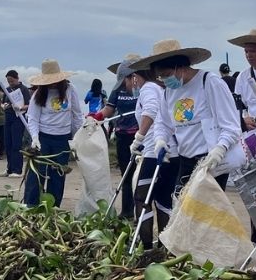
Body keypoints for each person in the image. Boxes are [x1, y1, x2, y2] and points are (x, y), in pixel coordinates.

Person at [136, 39, 240, 190]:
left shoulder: (209, 82)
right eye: (160, 77)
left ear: (181, 66)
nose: (165, 80)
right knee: (182, 208)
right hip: (185, 159)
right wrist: (160, 140)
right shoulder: (169, 92)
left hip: (211, 159)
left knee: (207, 211)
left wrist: (221, 148)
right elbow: (162, 123)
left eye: (166, 74)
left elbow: (231, 124)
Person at [24, 60, 85, 207]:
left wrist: (77, 138)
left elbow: (77, 115)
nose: (52, 84)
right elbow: (32, 118)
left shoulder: (70, 90)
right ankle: (31, 207)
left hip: (62, 139)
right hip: (43, 138)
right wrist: (35, 137)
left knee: (57, 175)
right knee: (37, 174)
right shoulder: (39, 93)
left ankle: (53, 208)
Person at [127, 63, 176, 246]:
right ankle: (164, 246)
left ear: (134, 76)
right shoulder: (158, 88)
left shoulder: (147, 88)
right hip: (168, 151)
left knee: (142, 198)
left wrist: (139, 137)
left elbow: (151, 111)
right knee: (163, 200)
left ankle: (147, 246)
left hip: (153, 153)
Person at [94, 58, 142, 219]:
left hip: (140, 137)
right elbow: (109, 108)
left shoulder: (144, 89)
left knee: (140, 175)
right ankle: (127, 210)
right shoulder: (118, 91)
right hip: (123, 135)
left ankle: (140, 212)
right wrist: (97, 116)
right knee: (126, 175)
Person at [0, 70, 31, 178]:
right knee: (8, 143)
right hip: (8, 118)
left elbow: (29, 105)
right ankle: (9, 168)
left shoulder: (24, 89)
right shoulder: (7, 90)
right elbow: (3, 102)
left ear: (17, 78)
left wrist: (21, 107)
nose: (10, 83)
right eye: (8, 81)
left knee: (16, 144)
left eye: (12, 80)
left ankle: (17, 169)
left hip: (18, 118)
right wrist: (3, 106)